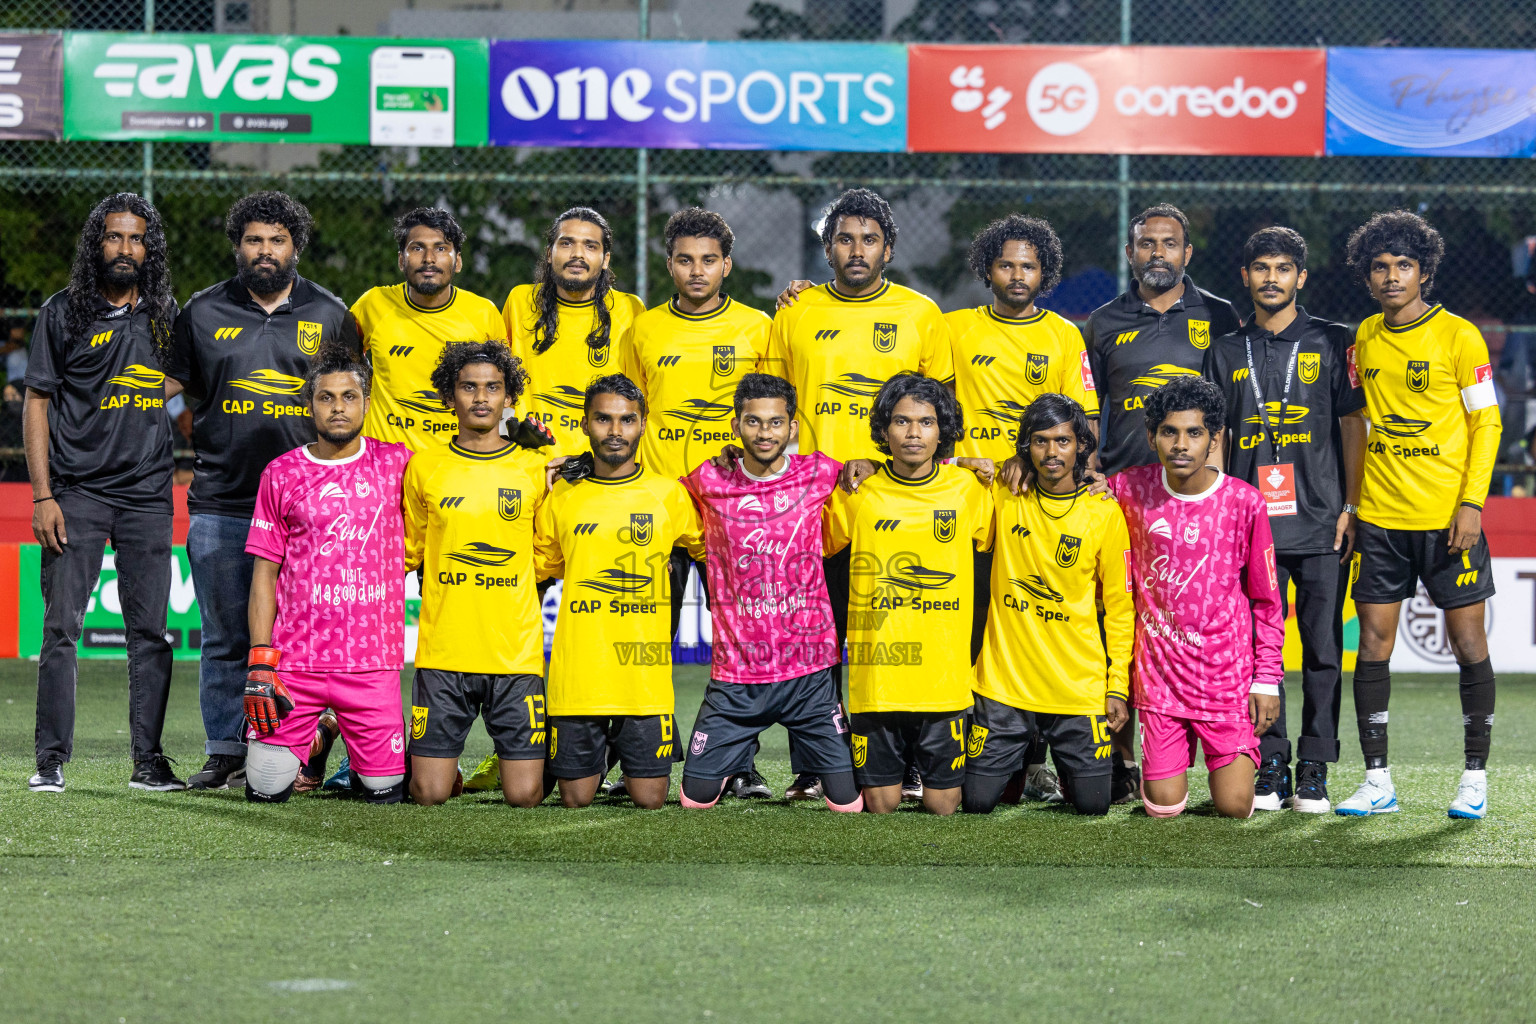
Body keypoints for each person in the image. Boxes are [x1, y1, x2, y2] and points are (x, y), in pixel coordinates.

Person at [764, 187, 955, 802]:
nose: (856, 250)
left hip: (898, 508)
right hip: (815, 509)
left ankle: (916, 757)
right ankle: (816, 763)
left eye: (868, 240)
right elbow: (773, 406)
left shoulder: (922, 314)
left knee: (903, 633)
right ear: (826, 248)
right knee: (817, 643)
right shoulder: (794, 312)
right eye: (844, 238)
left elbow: (941, 420)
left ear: (888, 249)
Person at [164, 191, 359, 791]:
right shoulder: (200, 311)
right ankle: (225, 750)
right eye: (254, 240)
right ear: (238, 245)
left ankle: (305, 750)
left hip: (311, 507)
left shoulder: (331, 315)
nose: (265, 251)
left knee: (309, 638)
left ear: (295, 246)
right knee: (225, 633)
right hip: (223, 499)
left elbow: (351, 400)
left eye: (277, 240)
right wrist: (202, 431)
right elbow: (170, 391)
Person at [1075, 203, 1241, 804]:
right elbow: (1089, 408)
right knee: (1119, 623)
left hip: (1196, 500)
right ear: (1131, 253)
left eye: (1169, 244)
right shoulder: (1101, 322)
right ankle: (1119, 757)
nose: (1158, 254)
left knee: (1197, 618)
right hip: (1122, 498)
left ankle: (1233, 743)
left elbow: (1232, 407)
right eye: (1147, 244)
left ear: (1186, 254)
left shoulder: (1221, 317)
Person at [1336, 211, 1500, 820]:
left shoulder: (1460, 336)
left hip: (1448, 521)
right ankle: (1377, 781)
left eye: (1402, 266)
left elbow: (1487, 423)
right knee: (1373, 646)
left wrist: (1472, 503)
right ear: (1368, 276)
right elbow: (1359, 425)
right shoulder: (1365, 337)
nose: (1390, 276)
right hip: (1381, 519)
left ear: (1424, 272)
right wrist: (1354, 506)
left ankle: (1474, 779)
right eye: (1379, 267)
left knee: (1467, 644)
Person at [23, 192, 182, 793]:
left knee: (150, 633)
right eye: (114, 237)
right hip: (76, 494)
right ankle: (50, 762)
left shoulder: (165, 313)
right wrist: (43, 496)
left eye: (136, 238)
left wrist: (140, 397)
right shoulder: (62, 312)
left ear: (150, 248)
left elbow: (181, 376)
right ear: (97, 245)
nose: (125, 248)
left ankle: (149, 763)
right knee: (62, 628)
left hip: (147, 494)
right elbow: (36, 404)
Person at [1204, 227, 1366, 813]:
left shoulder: (1332, 340)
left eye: (1283, 268)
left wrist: (1351, 506)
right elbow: (1214, 436)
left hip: (1322, 521)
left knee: (1322, 647)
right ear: (1245, 277)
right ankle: (1268, 759)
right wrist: (1218, 511)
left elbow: (1352, 425)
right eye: (1261, 268)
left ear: (1301, 277)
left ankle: (1316, 765)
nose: (1271, 278)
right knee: (1251, 652)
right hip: (1249, 529)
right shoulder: (1224, 350)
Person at [621, 208, 773, 799]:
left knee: (739, 640)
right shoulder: (645, 330)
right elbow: (629, 410)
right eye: (685, 259)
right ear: (669, 266)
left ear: (726, 265)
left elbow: (773, 414)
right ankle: (640, 755)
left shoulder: (759, 327)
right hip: (659, 503)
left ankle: (740, 764)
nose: (697, 270)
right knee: (641, 634)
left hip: (731, 505)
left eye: (708, 259)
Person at [949, 213, 1099, 803]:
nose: (1017, 274)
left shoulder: (1063, 335)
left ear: (1045, 273)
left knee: (1031, 627)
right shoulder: (954, 328)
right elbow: (930, 402)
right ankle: (954, 749)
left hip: (1030, 508)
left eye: (1028, 265)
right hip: (966, 503)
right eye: (1006, 264)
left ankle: (1035, 762)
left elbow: (1079, 419)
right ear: (988, 268)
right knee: (969, 631)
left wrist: (1077, 471)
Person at [679, 373, 859, 811]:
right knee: (694, 799)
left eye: (776, 422)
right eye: (754, 422)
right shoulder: (706, 480)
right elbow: (647, 496)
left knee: (848, 802)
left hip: (811, 674)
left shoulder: (819, 472)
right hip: (738, 675)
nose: (765, 432)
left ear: (792, 427)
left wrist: (964, 465)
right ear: (737, 426)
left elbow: (895, 476)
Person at [1106, 376, 1283, 819]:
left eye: (1194, 432)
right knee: (1163, 809)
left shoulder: (1246, 503)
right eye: (1169, 432)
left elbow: (1266, 602)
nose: (1181, 444)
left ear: (1215, 439)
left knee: (1236, 807)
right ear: (1152, 437)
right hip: (1160, 681)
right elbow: (1071, 491)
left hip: (1225, 680)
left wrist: (1266, 679)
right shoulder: (1126, 491)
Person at [241, 357, 412, 804]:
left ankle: (342, 733)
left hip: (371, 663)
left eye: (349, 397)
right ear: (310, 406)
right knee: (265, 789)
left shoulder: (399, 465)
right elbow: (264, 575)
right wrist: (261, 660)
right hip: (296, 665)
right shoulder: (280, 474)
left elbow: (465, 467)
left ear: (367, 404)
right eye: (326, 397)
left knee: (385, 791)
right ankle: (317, 733)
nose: (339, 407)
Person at [533, 374, 704, 809]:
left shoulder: (669, 495)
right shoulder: (561, 495)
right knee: (575, 800)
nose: (615, 431)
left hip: (643, 680)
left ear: (643, 424)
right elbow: (540, 566)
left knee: (650, 801)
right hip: (578, 677)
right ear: (585, 424)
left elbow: (709, 549)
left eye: (627, 420)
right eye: (604, 419)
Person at [824, 372, 991, 815]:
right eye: (901, 422)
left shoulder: (970, 490)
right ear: (883, 431)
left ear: (944, 431)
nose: (913, 433)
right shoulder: (857, 492)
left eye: (926, 422)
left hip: (945, 682)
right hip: (877, 681)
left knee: (944, 807)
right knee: (881, 806)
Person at [964, 394, 1132, 816]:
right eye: (1040, 442)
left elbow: (1120, 607)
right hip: (1005, 685)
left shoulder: (1103, 511)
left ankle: (1055, 755)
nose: (1051, 452)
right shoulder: (1005, 495)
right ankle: (1023, 758)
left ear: (1081, 446)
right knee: (978, 801)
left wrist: (1116, 687)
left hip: (1077, 687)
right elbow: (939, 470)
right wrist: (999, 463)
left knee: (1094, 805)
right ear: (1026, 447)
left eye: (1062, 441)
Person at [404, 341, 552, 808]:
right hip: (445, 650)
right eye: (469, 387)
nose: (482, 397)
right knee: (428, 794)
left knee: (525, 796)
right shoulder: (425, 467)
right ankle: (441, 769)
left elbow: (547, 553)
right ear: (451, 396)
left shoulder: (535, 467)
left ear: (510, 398)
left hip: (515, 653)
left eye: (493, 388)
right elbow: (409, 549)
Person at [352, 207, 507, 452]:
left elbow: (503, 392)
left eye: (441, 248)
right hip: (384, 463)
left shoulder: (483, 313)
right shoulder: (373, 305)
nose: (429, 259)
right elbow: (342, 366)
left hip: (455, 462)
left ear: (458, 262)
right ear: (401, 259)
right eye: (417, 248)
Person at [504, 207, 645, 458]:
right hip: (529, 460)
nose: (578, 254)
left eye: (590, 246)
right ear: (549, 254)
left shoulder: (630, 309)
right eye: (567, 243)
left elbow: (639, 397)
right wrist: (506, 427)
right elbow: (497, 382)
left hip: (600, 465)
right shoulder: (519, 302)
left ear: (605, 259)